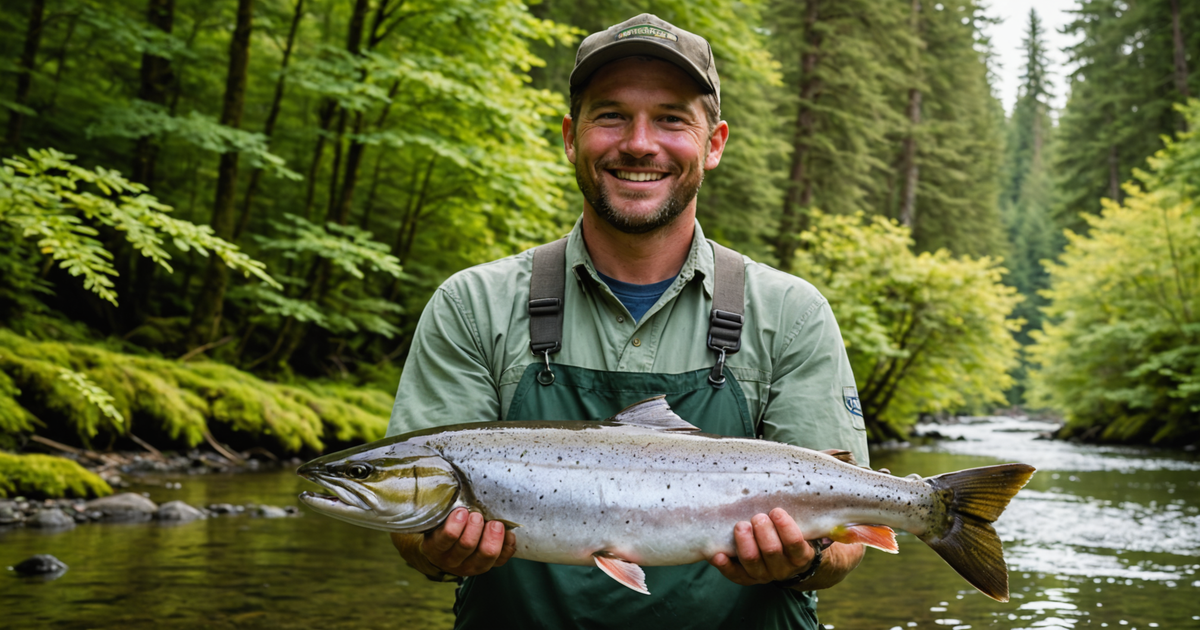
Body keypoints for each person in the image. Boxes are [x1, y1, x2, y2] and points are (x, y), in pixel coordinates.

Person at [386, 13, 869, 629]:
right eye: (611, 115)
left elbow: (849, 539)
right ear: (570, 137)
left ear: (714, 143)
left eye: (671, 118)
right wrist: (435, 547)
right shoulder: (473, 304)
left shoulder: (791, 313)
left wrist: (802, 561)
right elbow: (410, 529)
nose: (639, 143)